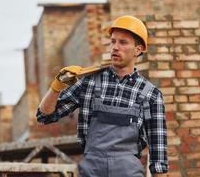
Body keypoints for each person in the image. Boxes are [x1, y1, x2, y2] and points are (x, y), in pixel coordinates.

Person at [36, 15, 168, 176]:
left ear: (138, 50)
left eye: (123, 42)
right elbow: (44, 116)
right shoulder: (89, 81)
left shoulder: (151, 94)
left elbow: (158, 156)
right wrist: (56, 87)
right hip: (92, 171)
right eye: (113, 41)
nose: (115, 47)